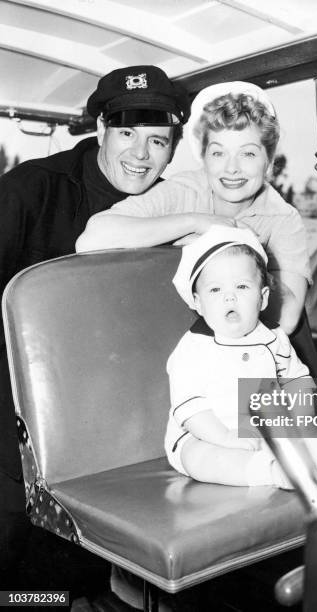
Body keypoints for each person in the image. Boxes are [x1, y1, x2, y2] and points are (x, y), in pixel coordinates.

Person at [0, 64, 189, 590]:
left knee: (73, 571)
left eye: (158, 139)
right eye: (126, 133)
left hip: (120, 420)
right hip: (17, 406)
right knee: (13, 549)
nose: (140, 154)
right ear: (100, 130)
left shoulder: (173, 208)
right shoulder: (30, 191)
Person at [76, 82, 311, 335]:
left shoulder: (283, 218)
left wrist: (238, 250)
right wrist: (196, 223)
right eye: (218, 153)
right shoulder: (184, 190)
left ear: (269, 161)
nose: (232, 168)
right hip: (165, 330)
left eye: (248, 154)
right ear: (204, 158)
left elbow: (286, 318)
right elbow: (91, 240)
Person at [166, 226, 317, 488]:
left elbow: (296, 379)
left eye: (242, 286)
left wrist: (302, 418)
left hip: (269, 425)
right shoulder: (194, 347)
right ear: (197, 302)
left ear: (263, 298)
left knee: (314, 438)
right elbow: (190, 408)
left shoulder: (275, 338)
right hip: (207, 433)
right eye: (215, 290)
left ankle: (297, 463)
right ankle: (269, 473)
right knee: (199, 458)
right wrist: (226, 437)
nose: (230, 296)